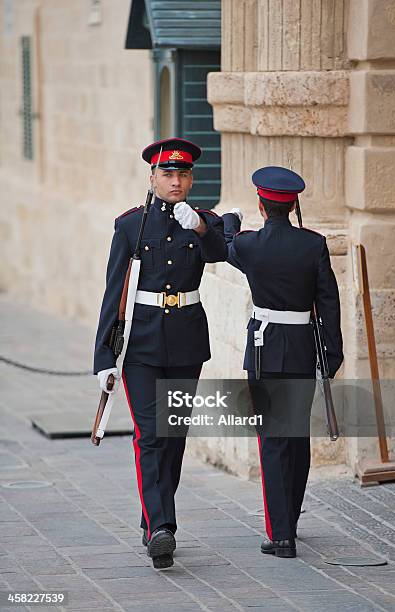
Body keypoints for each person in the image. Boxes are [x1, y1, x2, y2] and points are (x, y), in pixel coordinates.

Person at [93, 137, 227, 569]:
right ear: (152, 178)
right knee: (151, 435)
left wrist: (202, 229)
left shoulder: (204, 221)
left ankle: (153, 515)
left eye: (183, 174)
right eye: (168, 173)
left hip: (186, 340)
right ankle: (161, 528)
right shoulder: (130, 225)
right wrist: (103, 357)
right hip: (142, 343)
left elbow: (221, 254)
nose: (176, 180)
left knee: (174, 436)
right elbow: (114, 292)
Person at [222, 166, 343, 558]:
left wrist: (229, 221)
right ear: (292, 205)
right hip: (303, 347)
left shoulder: (251, 245)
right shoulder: (314, 244)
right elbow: (328, 302)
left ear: (261, 204)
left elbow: (227, 246)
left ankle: (280, 535)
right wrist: (332, 352)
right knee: (295, 436)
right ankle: (290, 518)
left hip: (265, 347)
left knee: (272, 440)